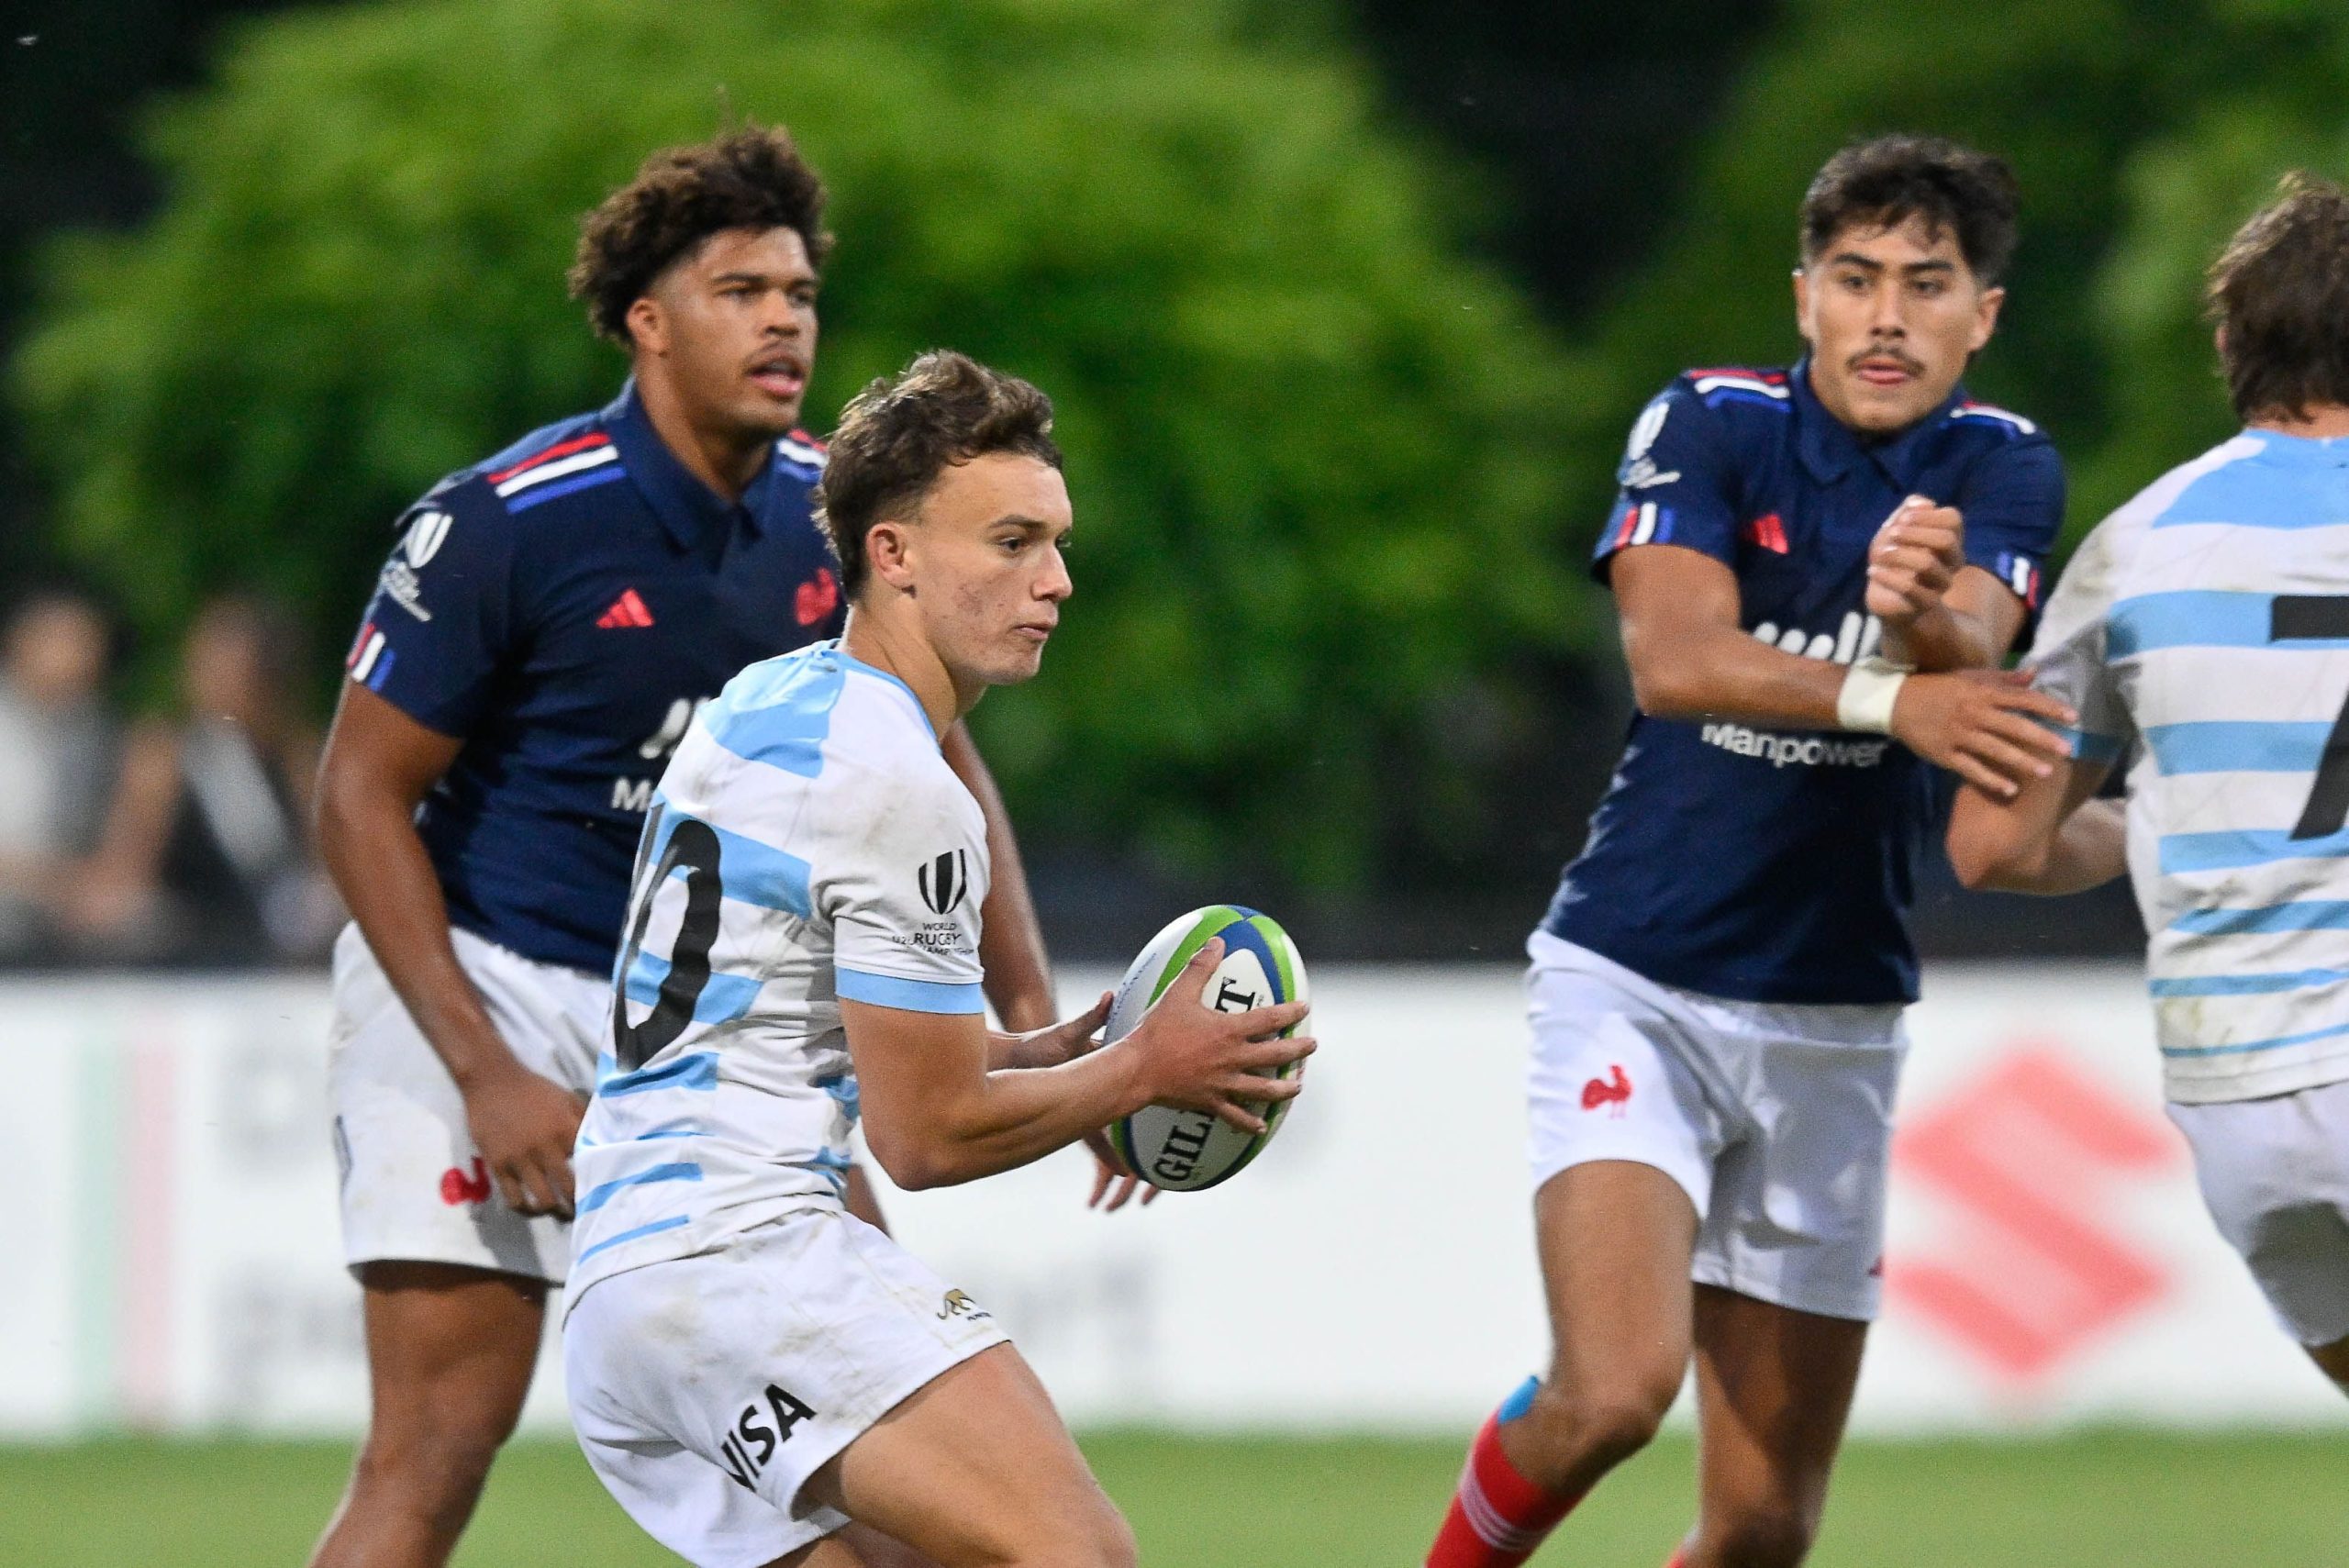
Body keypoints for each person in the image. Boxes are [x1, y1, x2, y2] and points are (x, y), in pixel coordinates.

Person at [306, 128, 1056, 1568]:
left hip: (709, 1028)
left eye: (801, 293)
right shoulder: (509, 520)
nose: (784, 322)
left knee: (875, 1471)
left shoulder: (844, 516)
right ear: (646, 321)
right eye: (740, 291)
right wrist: (488, 1071)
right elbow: (356, 796)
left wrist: (1021, 997)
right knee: (433, 1455)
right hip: (488, 984)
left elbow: (943, 753)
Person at [1423, 135, 2078, 1568]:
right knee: (1612, 1393)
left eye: (1927, 283)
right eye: (1855, 277)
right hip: (1637, 978)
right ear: (1804, 296)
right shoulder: (1710, 419)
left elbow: (1976, 652)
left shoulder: (2009, 461)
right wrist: (1893, 691)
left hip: (1835, 1016)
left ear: (1984, 314)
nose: (1886, 316)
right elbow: (1675, 660)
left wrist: (1920, 617)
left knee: (1765, 1526)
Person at [563, 350, 1312, 1568]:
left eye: (1056, 543)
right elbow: (925, 1137)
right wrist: (1144, 1072)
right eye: (1011, 542)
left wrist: (1031, 1053)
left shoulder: (764, 701)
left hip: (627, 1293)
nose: (1055, 580)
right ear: (893, 552)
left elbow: (773, 1013)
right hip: (743, 1259)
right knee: (1081, 1557)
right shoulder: (899, 785)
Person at [1948, 172, 2349, 1397]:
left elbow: (1993, 846)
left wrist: (2165, 816)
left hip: (2240, 1102)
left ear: (2230, 346)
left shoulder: (2139, 542)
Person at [71, 593, 340, 965]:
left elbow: (325, 862)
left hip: (283, 933)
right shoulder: (163, 754)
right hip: (190, 936)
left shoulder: (297, 755)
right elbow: (129, 863)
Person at [0, 584, 115, 962]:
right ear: (24, 644)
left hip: (62, 909)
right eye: (71, 643)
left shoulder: (92, 730)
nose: (86, 658)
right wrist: (58, 885)